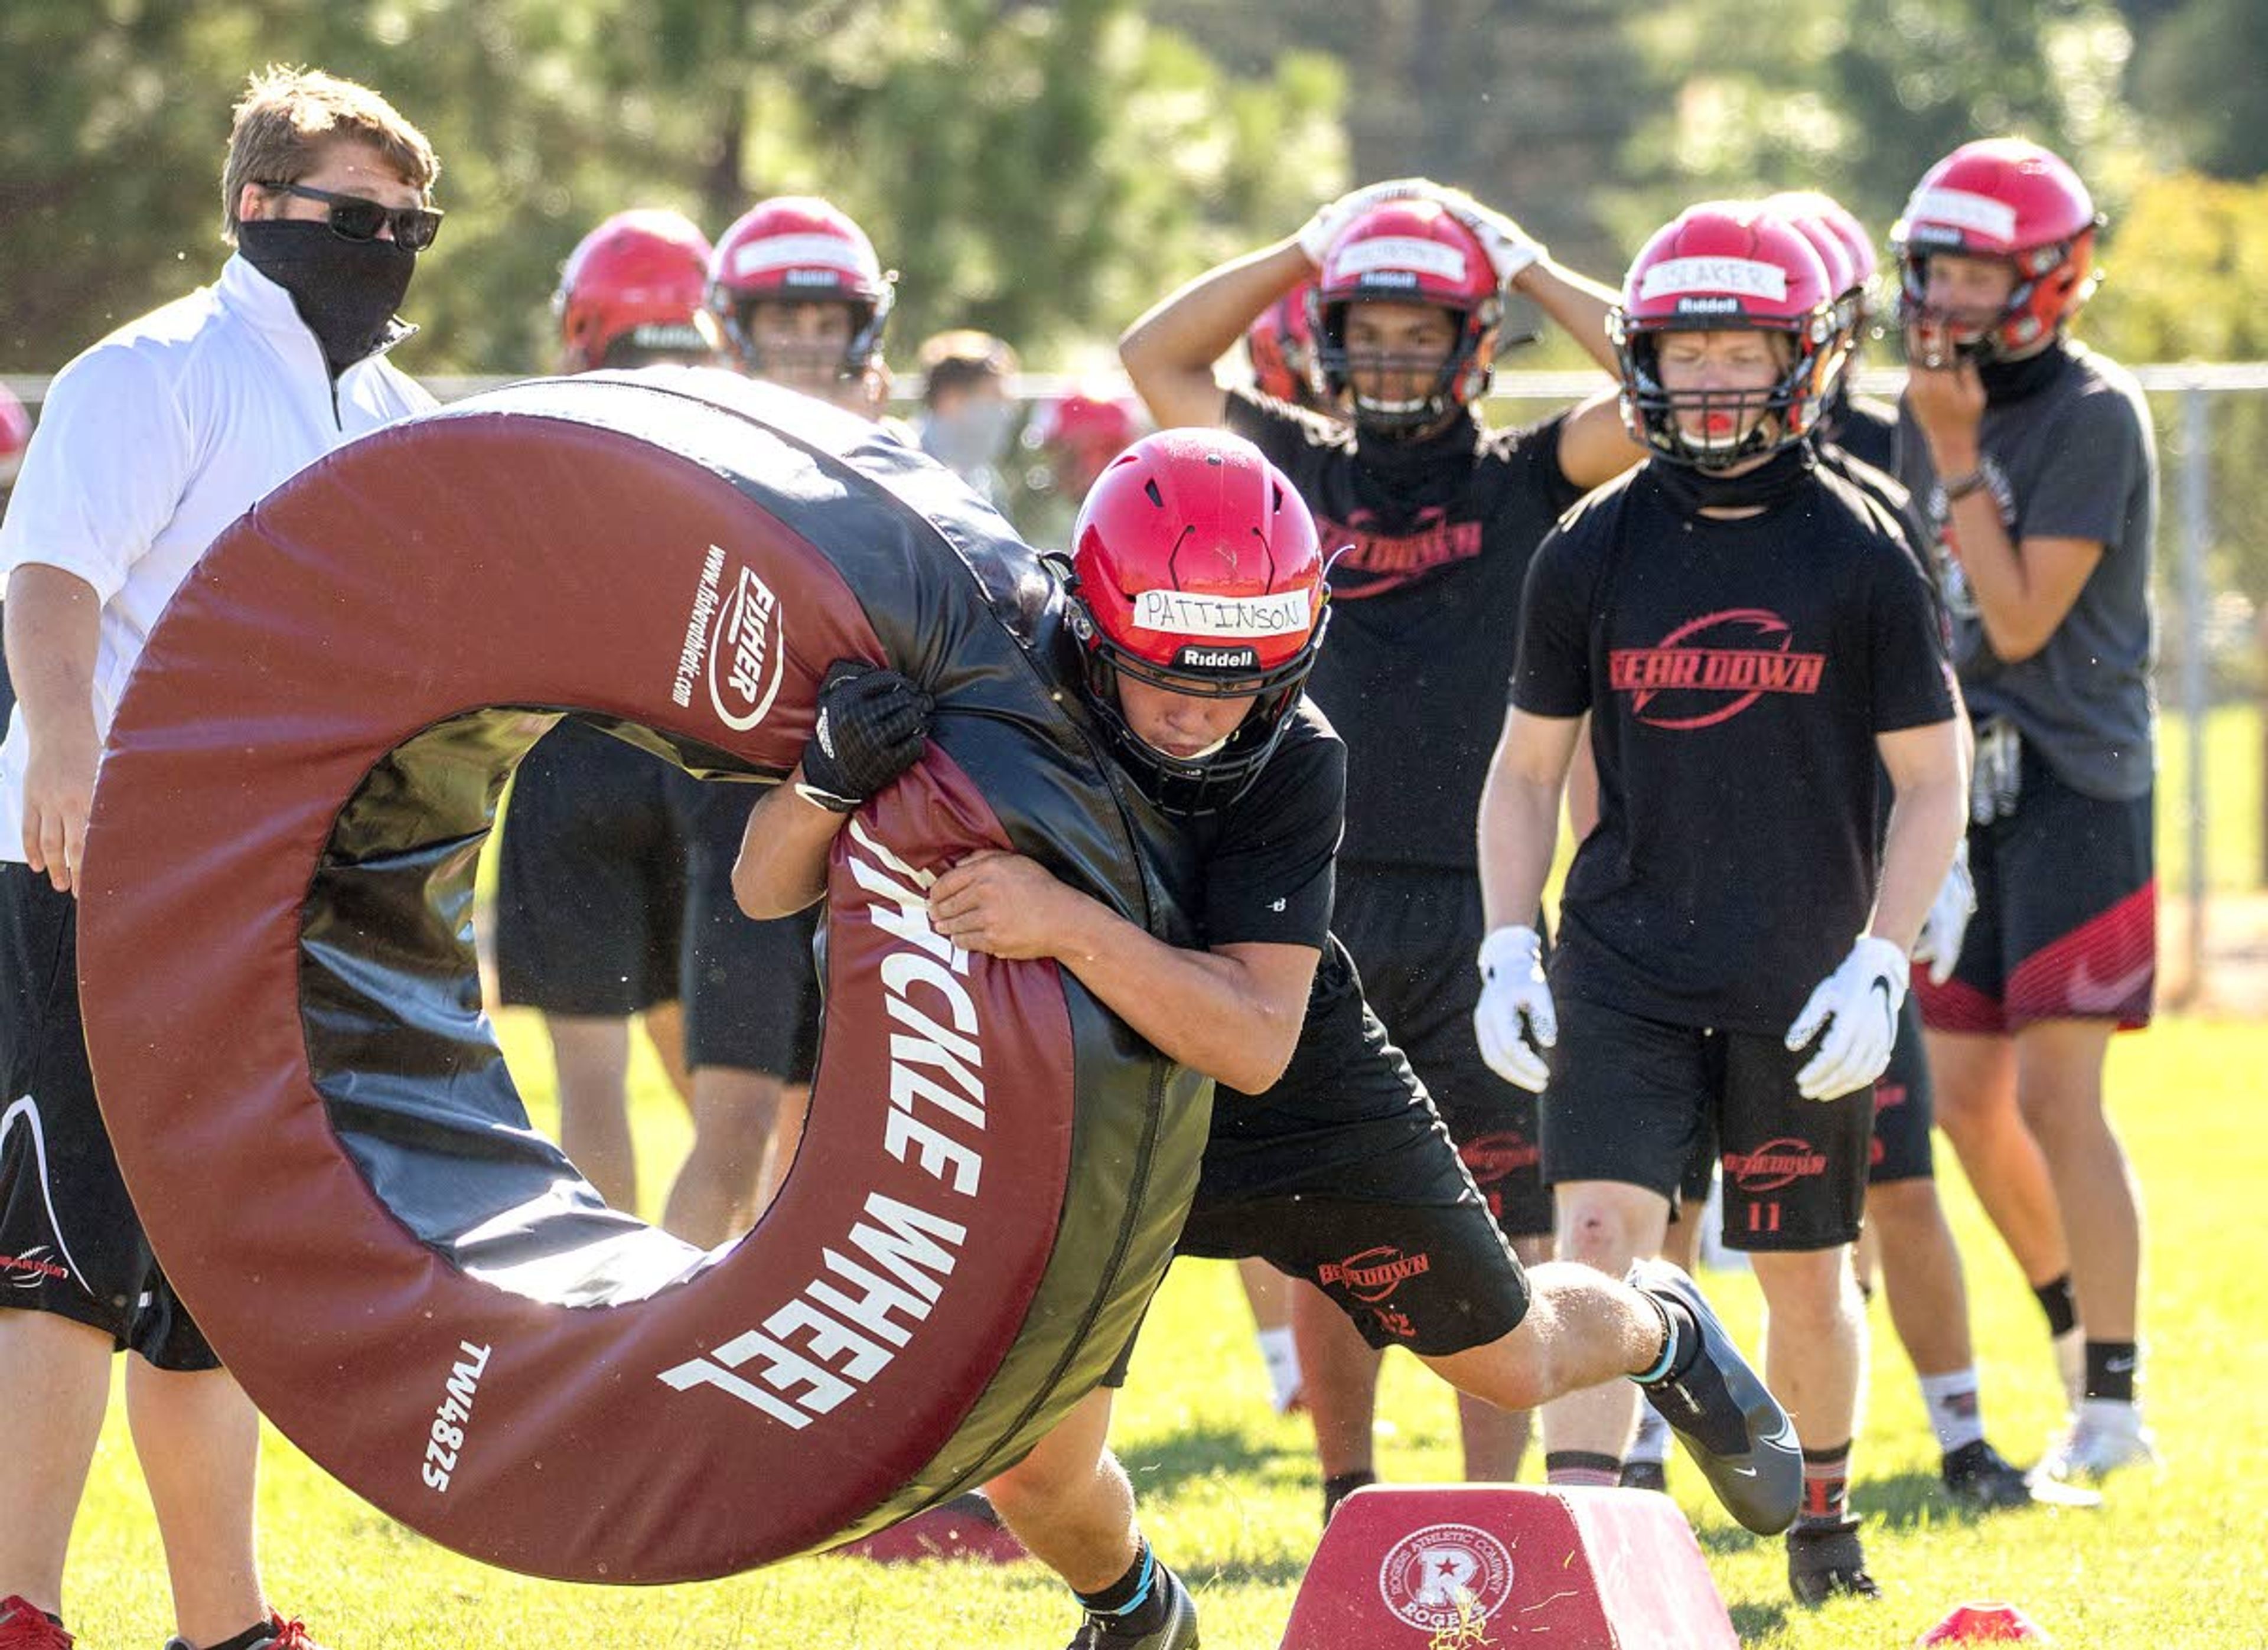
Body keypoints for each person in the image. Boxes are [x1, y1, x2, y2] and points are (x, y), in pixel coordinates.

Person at [734, 428, 1803, 1650]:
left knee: (1512, 1356)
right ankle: (1138, 1610)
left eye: (1234, 681)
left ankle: (1664, 1324)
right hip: (1073, 1096)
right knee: (1035, 1468)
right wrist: (822, 784)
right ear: (1088, 626)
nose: (1198, 715)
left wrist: (1067, 922)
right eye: (1168, 680)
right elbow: (765, 891)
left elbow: (1250, 1039)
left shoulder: (1298, 756)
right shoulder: (980, 680)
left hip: (1282, 1089)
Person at [0, 66, 442, 1650]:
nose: (387, 246)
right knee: (62, 1246)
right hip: (92, 866)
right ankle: (20, 1606)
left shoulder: (399, 414)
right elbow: (50, 577)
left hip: (274, 897)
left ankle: (225, 1625)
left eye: (412, 225)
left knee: (213, 1278)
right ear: (257, 211)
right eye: (353, 217)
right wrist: (60, 748)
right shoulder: (156, 369)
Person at [1120, 180, 1645, 1511]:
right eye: (1372, 324)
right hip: (1310, 896)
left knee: (1504, 1225)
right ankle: (1351, 1491)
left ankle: (1493, 1508)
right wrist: (1307, 239)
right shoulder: (1294, 466)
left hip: (1486, 908)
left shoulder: (1521, 473)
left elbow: (1658, 395)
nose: (1395, 353)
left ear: (1473, 342)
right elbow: (1154, 356)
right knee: (1320, 1222)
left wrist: (1527, 261)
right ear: (1328, 331)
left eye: (1425, 328)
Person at [1474, 202, 1967, 1605]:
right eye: (1683, 350)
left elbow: (1933, 780)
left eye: (1738, 350)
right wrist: (1509, 938)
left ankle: (1821, 1523)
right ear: (1639, 360)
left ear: (1798, 358)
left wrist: (1877, 960)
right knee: (1588, 1241)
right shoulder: (1587, 544)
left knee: (1802, 1270)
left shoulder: (1859, 549)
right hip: (1623, 965)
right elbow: (1523, 774)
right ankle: (1576, 1553)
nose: (1707, 379)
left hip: (1798, 976)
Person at [1891, 138, 2160, 1482]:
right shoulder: (1916, 398)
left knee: (2060, 1091)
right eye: (1929, 265)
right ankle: (2069, 1336)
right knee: (1956, 1092)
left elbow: (2012, 614)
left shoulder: (2090, 415)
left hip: (2070, 781)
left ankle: (2113, 1403)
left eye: (1974, 269)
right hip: (1956, 782)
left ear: (2048, 279)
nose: (1941, 295)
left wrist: (1950, 450)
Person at [490, 208, 713, 1215]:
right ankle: (743, 1302)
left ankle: (616, 1319)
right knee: (729, 1077)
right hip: (710, 764)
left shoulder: (542, 426)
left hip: (569, 754)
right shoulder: (748, 423)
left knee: (591, 1074)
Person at [913, 328, 1020, 505]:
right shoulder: (902, 471)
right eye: (994, 398)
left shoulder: (988, 486)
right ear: (950, 399)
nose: (1004, 414)